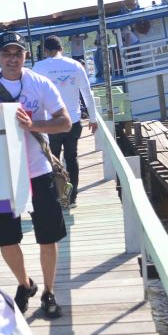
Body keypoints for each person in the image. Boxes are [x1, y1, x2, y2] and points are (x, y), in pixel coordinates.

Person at [0, 31, 70, 319]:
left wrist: (33, 124)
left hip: (38, 172)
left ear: (25, 56)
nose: (12, 58)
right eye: (7, 53)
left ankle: (48, 291)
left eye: (17, 53)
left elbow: (65, 123)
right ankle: (25, 283)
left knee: (48, 236)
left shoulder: (39, 83)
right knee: (6, 239)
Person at [33, 35, 99, 209]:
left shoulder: (38, 67)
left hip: (50, 123)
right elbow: (87, 93)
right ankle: (71, 198)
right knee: (71, 158)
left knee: (51, 161)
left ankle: (57, 197)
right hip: (74, 121)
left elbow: (32, 94)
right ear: (61, 49)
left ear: (45, 51)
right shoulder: (76, 65)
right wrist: (93, 118)